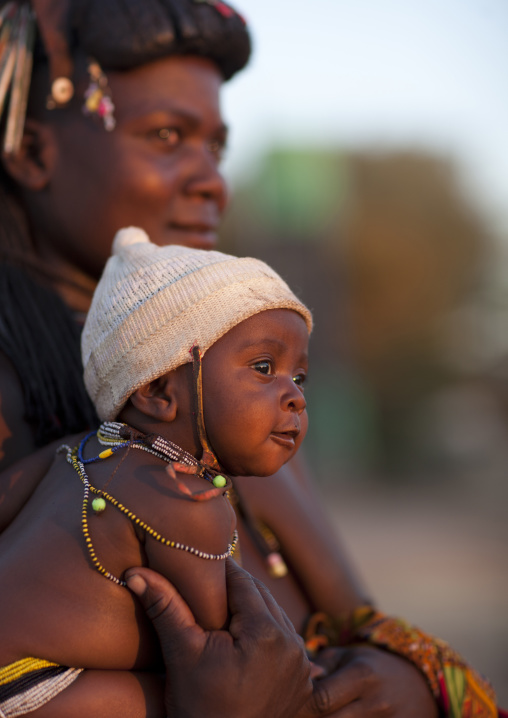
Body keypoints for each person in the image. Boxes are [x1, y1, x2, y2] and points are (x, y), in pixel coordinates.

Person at [0, 1, 501, 716]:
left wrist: (407, 681)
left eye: (217, 149)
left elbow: (357, 623)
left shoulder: (232, 388)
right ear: (32, 152)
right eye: (167, 135)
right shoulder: (25, 384)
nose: (212, 182)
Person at [0, 228, 316, 715]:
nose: (294, 396)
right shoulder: (189, 503)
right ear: (158, 391)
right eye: (263, 366)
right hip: (33, 690)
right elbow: (230, 656)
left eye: (299, 377)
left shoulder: (72, 450)